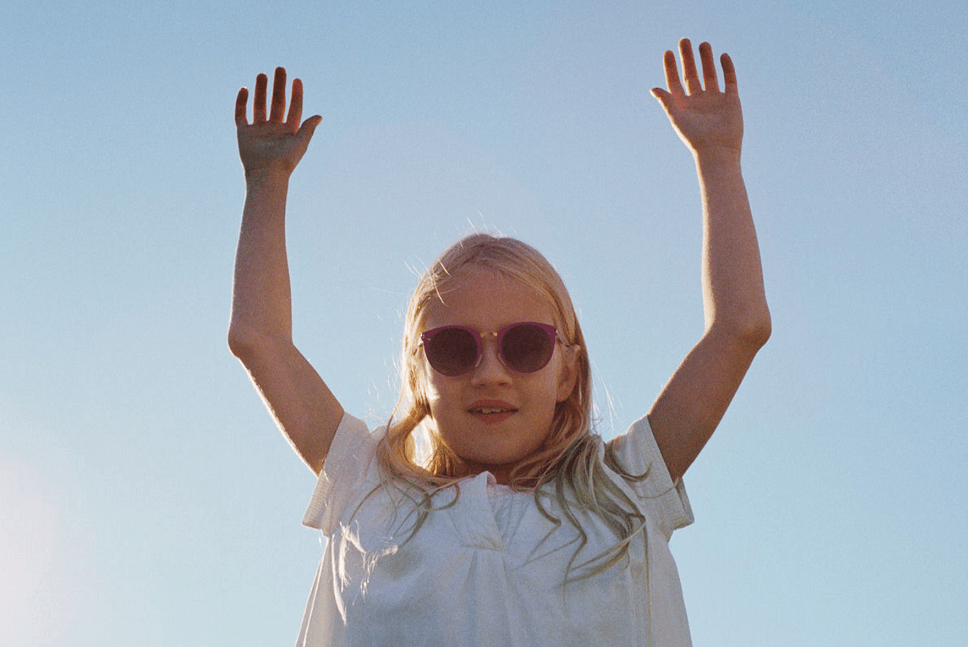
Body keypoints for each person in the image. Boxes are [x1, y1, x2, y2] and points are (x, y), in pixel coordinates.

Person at [230, 38, 770, 647]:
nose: (490, 372)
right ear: (419, 377)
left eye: (525, 346)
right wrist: (266, 181)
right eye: (455, 349)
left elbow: (740, 328)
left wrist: (719, 158)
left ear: (569, 371)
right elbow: (258, 338)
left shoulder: (626, 489)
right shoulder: (369, 489)